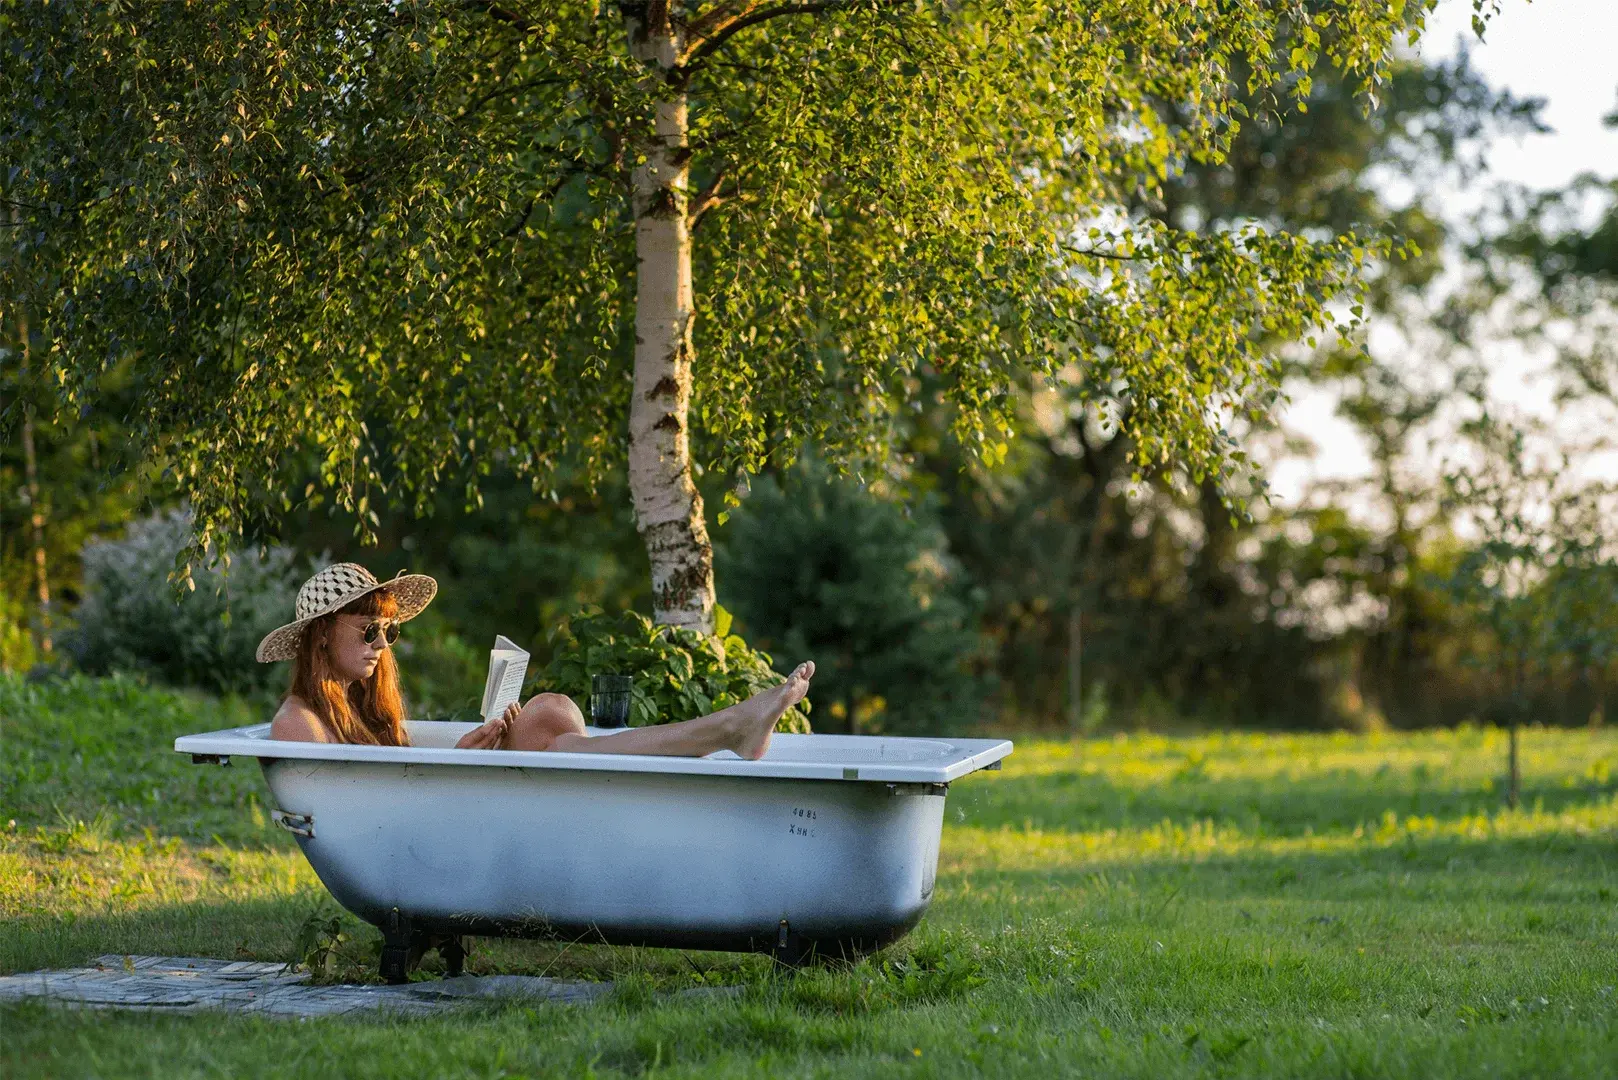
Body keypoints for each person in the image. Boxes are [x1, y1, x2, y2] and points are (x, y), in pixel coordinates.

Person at [259, 563, 814, 757]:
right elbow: (371, 814)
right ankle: (725, 729)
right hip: (441, 834)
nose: (383, 646)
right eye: (369, 630)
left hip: (443, 823)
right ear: (322, 637)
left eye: (389, 632)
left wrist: (466, 753)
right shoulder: (298, 724)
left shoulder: (360, 711)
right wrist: (458, 762)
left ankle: (725, 730)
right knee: (551, 727)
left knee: (548, 711)